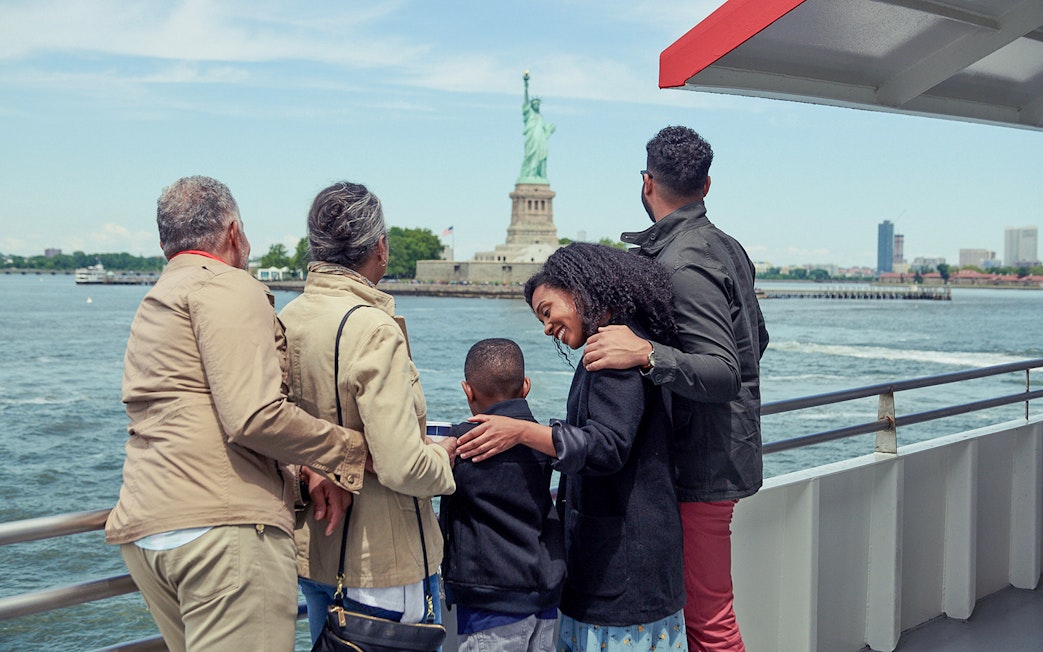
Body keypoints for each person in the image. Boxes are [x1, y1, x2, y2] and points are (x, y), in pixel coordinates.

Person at [105, 176, 368, 652]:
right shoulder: (227, 285)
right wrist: (350, 451)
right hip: (220, 535)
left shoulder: (158, 298)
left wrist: (299, 469)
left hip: (148, 531)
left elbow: (198, 410)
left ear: (166, 241)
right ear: (233, 232)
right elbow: (254, 416)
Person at [582, 126, 769, 652]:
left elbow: (723, 370)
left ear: (647, 184)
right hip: (714, 454)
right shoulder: (723, 246)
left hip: (702, 464)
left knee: (707, 618)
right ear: (706, 185)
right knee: (700, 613)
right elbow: (758, 339)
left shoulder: (684, 262)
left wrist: (646, 354)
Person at [457, 242, 687, 652]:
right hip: (632, 558)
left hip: (623, 569)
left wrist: (520, 432)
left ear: (578, 289)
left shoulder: (614, 352)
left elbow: (605, 447)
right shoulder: (623, 341)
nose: (547, 328)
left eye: (547, 312)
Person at [278, 181, 457, 644]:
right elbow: (402, 464)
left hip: (312, 548)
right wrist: (445, 457)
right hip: (382, 562)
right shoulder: (374, 328)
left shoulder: (285, 317)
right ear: (380, 247)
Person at [439, 338, 566, 652]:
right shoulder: (547, 442)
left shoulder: (461, 444)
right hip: (545, 592)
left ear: (468, 391)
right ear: (526, 387)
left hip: (489, 599)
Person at [518, 71, 556, 183]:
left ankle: (539, 175)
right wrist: (526, 86)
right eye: (534, 104)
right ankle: (529, 174)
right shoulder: (528, 114)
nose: (536, 105)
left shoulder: (540, 117)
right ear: (531, 106)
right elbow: (525, 101)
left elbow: (545, 133)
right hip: (531, 139)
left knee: (541, 156)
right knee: (530, 156)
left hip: (540, 141)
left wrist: (549, 131)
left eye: (538, 104)